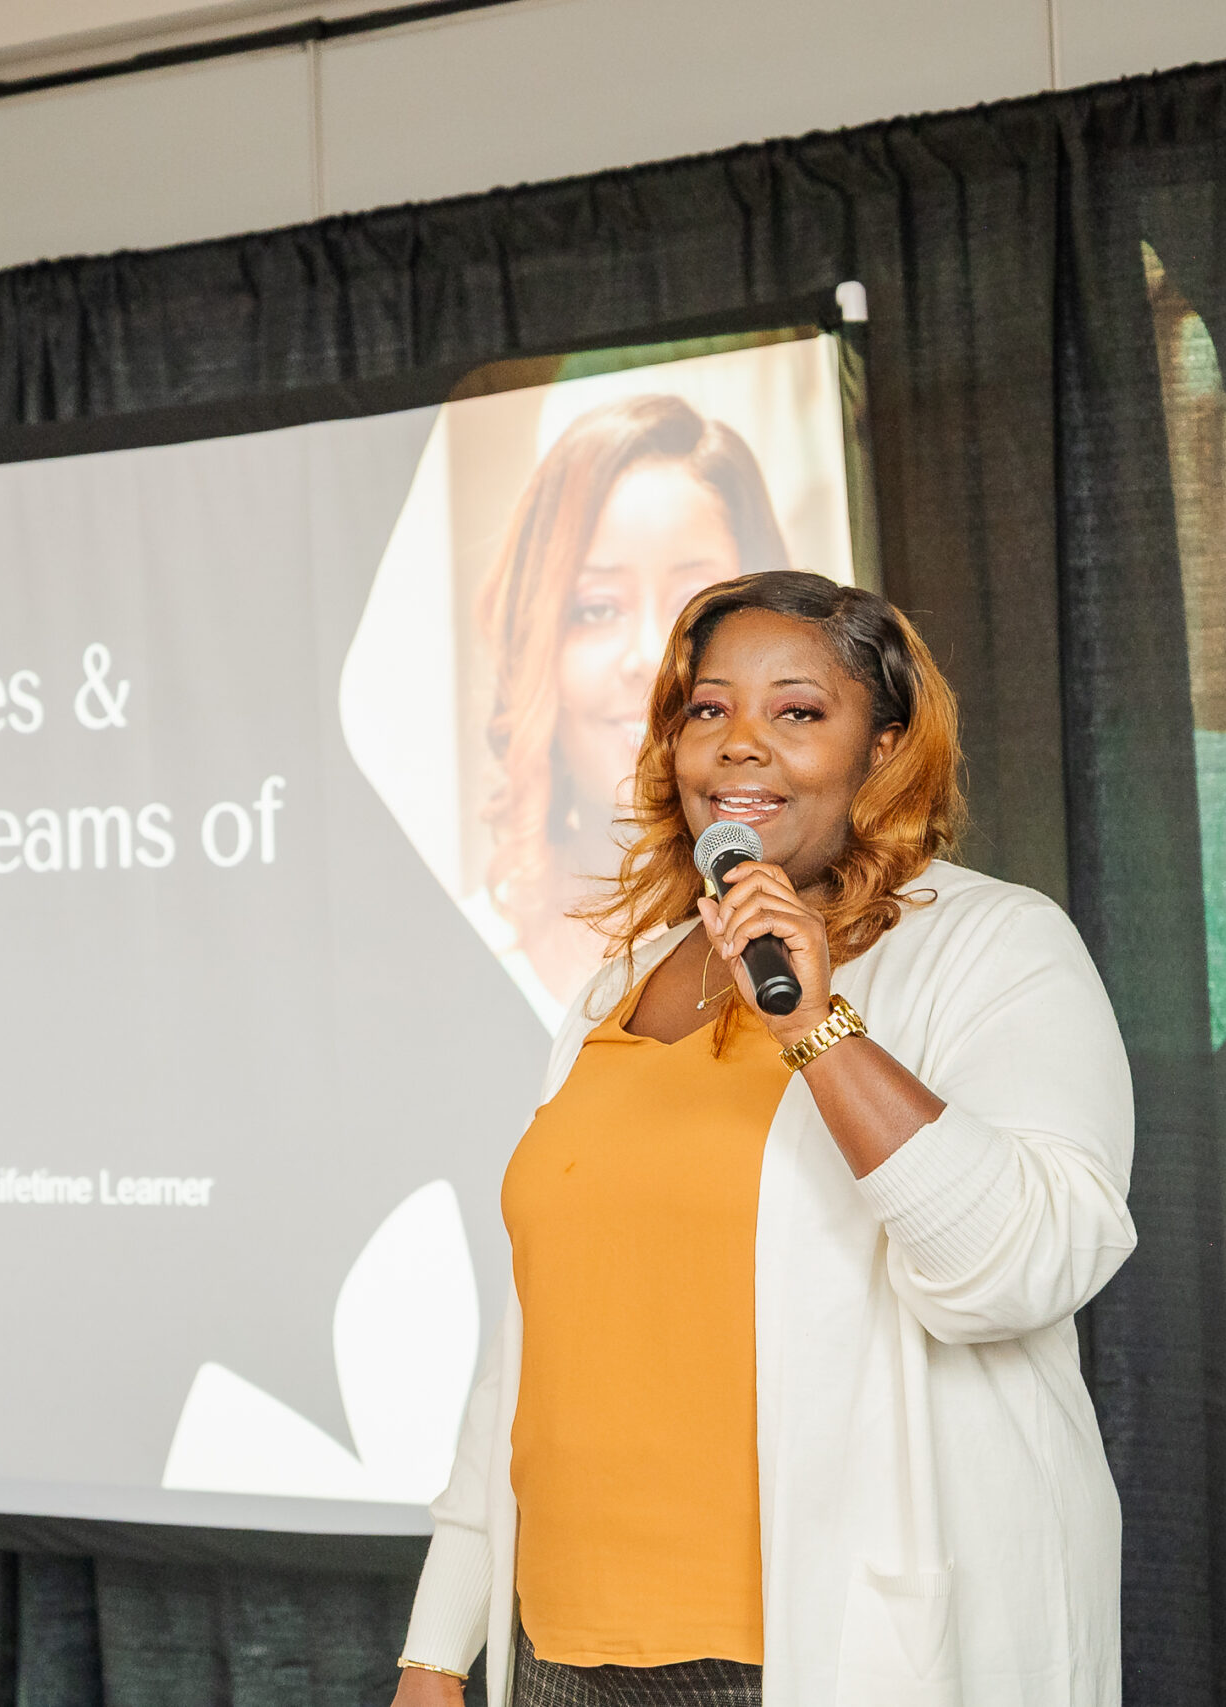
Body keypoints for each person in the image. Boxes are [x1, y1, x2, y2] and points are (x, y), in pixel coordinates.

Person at [393, 571, 1138, 1706]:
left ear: (882, 749)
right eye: (709, 709)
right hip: (563, 1652)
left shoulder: (997, 945)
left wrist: (814, 1027)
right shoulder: (619, 982)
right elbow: (532, 1342)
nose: (741, 743)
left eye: (797, 710)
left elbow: (1020, 1269)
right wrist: (439, 1644)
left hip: (815, 1654)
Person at [468, 395, 796, 1027]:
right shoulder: (454, 953)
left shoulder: (843, 951)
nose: (648, 655)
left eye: (693, 609)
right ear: (535, 650)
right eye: (596, 608)